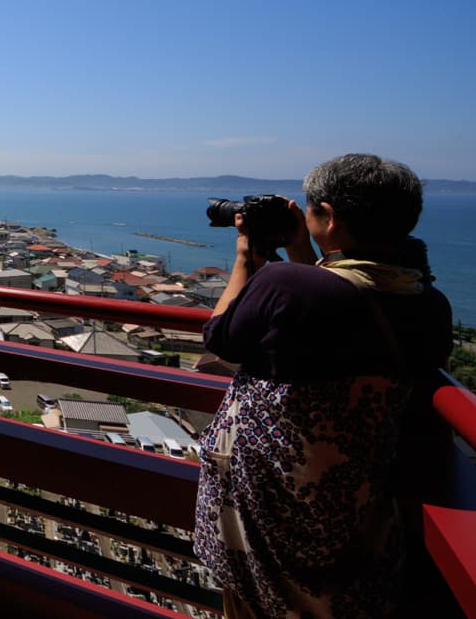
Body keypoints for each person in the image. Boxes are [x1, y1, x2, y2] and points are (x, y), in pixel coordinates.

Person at [193, 154, 452, 619]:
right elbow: (339, 309)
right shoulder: (428, 302)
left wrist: (245, 257)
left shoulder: (286, 283)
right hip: (356, 519)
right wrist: (303, 251)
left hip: (268, 514)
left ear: (328, 217)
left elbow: (220, 336)